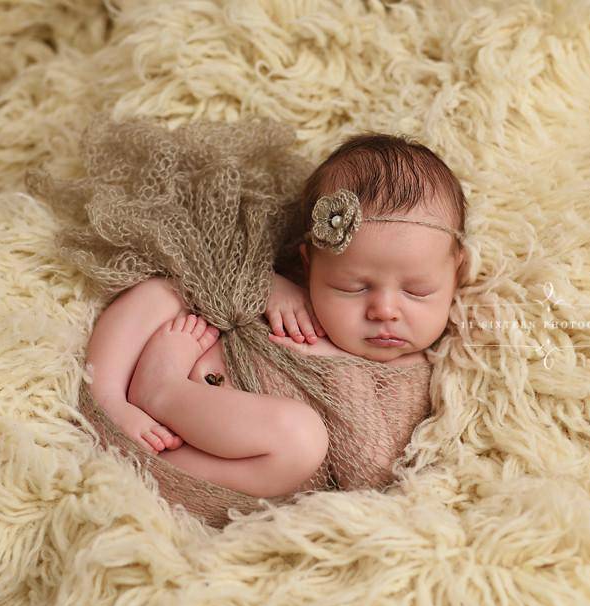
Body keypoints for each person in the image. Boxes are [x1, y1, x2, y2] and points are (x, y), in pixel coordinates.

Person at [83, 130, 468, 499]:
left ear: (457, 274)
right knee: (164, 289)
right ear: (310, 266)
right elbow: (216, 268)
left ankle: (161, 394)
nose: (384, 310)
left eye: (417, 291)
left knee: (300, 439)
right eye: (353, 287)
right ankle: (106, 397)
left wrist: (347, 378)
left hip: (192, 466)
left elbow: (372, 470)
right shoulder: (293, 291)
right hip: (142, 416)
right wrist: (261, 282)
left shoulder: (415, 376)